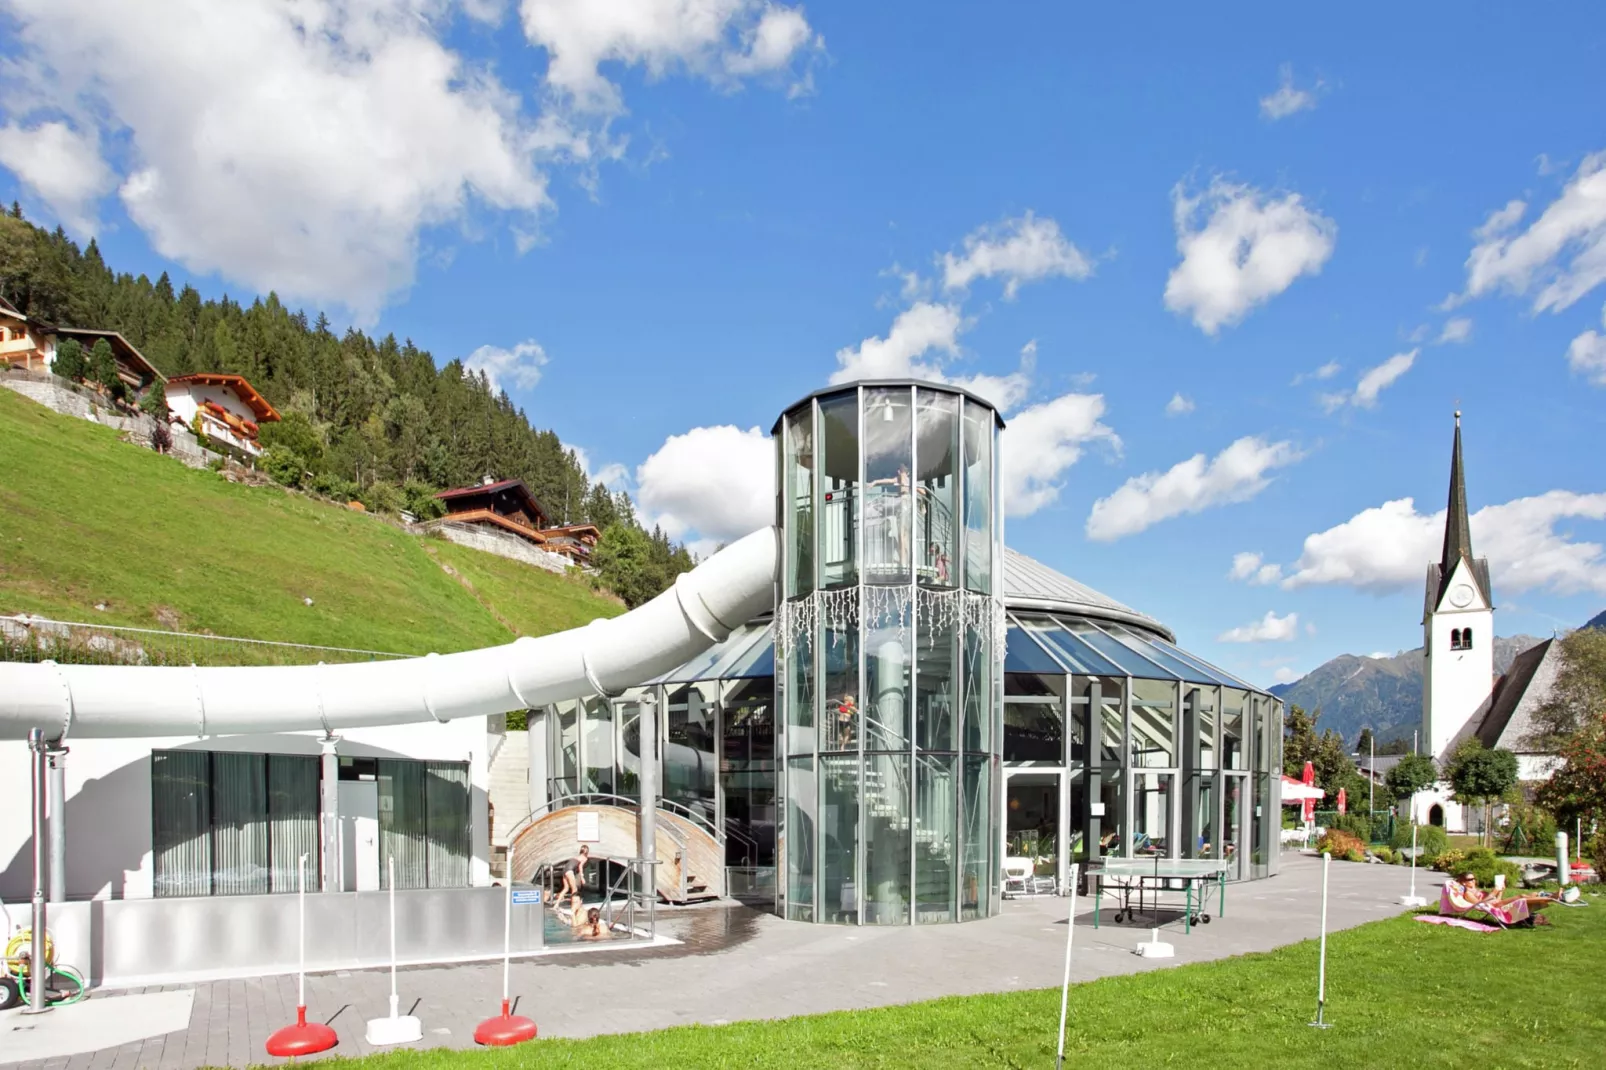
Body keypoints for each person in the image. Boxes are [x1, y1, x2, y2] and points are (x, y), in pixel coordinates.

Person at [559, 844, 589, 913]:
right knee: (574, 889)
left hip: (565, 869)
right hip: (569, 870)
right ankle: (573, 906)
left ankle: (556, 905)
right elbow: (580, 867)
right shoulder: (584, 858)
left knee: (566, 888)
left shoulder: (577, 856)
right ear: (587, 852)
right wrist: (582, 878)